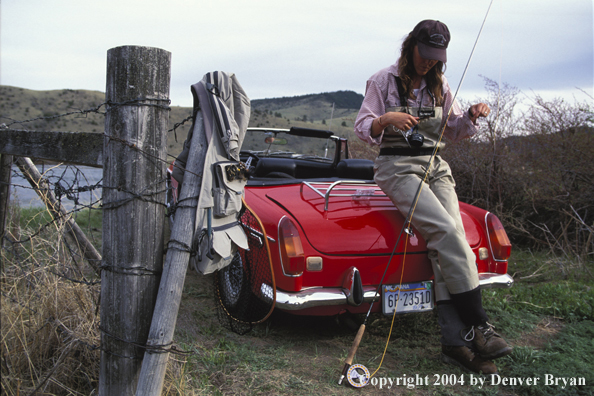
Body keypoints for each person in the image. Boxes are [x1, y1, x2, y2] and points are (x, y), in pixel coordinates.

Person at [354, 20, 512, 374]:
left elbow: (453, 129)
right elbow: (362, 127)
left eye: (436, 58)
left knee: (451, 244)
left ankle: (455, 343)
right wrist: (385, 119)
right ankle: (481, 327)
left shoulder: (439, 84)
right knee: (446, 231)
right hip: (396, 168)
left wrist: (471, 116)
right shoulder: (383, 81)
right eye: (424, 55)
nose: (428, 63)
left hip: (436, 168)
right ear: (411, 46)